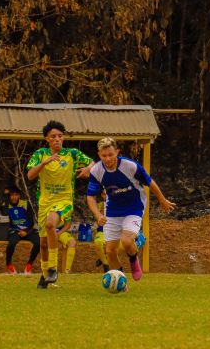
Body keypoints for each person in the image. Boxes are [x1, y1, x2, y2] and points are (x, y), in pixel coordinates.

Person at [87, 137, 175, 281]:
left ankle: (134, 260)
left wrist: (162, 200)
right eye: (104, 156)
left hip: (134, 207)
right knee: (110, 250)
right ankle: (119, 280)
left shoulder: (130, 166)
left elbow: (150, 182)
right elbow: (90, 197)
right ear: (99, 155)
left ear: (117, 152)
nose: (108, 159)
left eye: (111, 155)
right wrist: (97, 215)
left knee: (127, 241)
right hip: (113, 210)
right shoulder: (96, 171)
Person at [27, 120, 94, 288]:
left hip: (64, 200)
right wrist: (44, 163)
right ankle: (44, 276)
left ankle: (53, 269)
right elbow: (30, 175)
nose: (57, 139)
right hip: (44, 202)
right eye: (53, 136)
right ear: (47, 139)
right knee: (42, 244)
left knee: (51, 224)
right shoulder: (40, 154)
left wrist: (88, 169)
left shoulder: (72, 154)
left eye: (59, 136)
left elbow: (94, 162)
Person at [1, 186, 40, 275]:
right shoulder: (6, 205)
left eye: (16, 195)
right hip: (15, 230)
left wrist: (26, 231)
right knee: (11, 243)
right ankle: (9, 264)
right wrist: (5, 196)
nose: (14, 197)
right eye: (11, 195)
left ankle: (29, 264)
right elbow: (3, 212)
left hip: (28, 230)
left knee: (39, 242)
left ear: (19, 196)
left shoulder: (26, 204)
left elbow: (31, 221)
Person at [93, 191, 110, 273]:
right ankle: (105, 263)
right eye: (103, 194)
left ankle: (102, 258)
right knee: (98, 243)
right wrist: (103, 209)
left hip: (112, 230)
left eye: (107, 194)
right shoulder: (99, 205)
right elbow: (98, 221)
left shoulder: (117, 204)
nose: (105, 195)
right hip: (102, 230)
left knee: (112, 246)